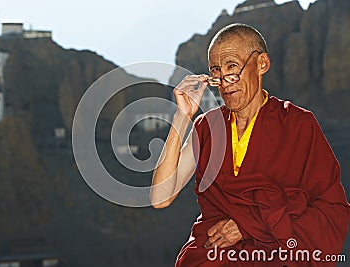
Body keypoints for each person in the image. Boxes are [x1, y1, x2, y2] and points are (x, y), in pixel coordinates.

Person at [150, 23, 350, 266]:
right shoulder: (208, 127)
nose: (225, 82)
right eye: (216, 71)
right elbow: (161, 197)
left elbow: (332, 209)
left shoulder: (297, 123)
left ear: (262, 64)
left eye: (232, 67)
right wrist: (183, 115)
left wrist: (248, 225)